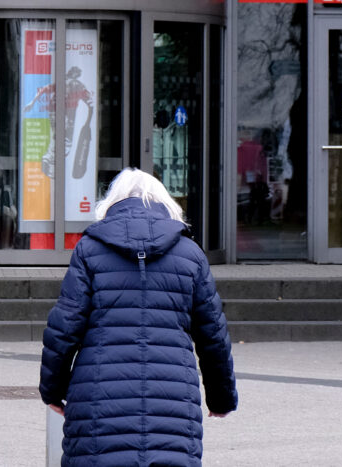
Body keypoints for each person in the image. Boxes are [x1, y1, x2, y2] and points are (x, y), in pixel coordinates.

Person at [39, 168, 237, 466]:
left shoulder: (90, 250)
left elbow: (64, 326)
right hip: (171, 400)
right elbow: (213, 336)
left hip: (98, 399)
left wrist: (52, 391)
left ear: (112, 204)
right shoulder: (190, 254)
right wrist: (221, 398)